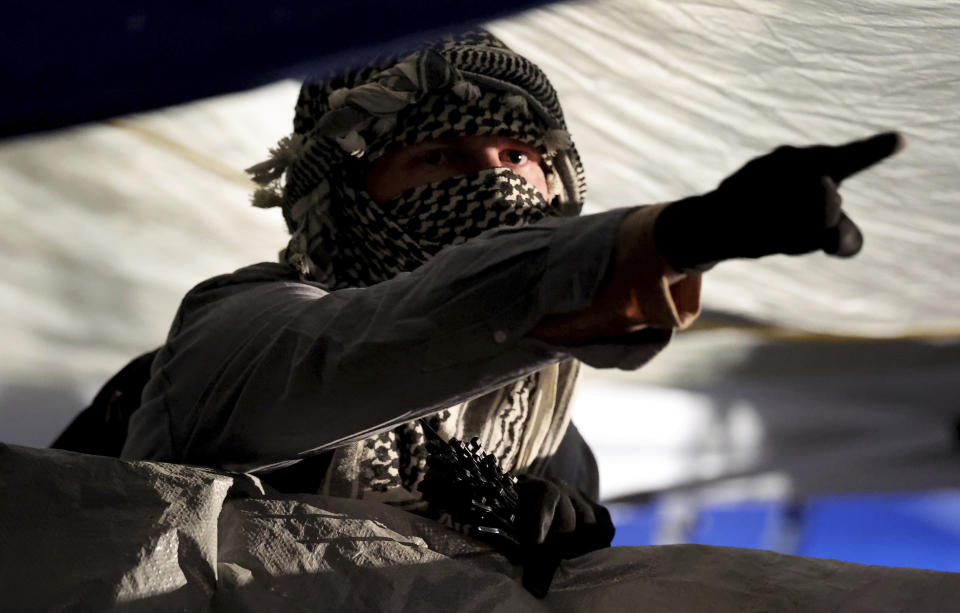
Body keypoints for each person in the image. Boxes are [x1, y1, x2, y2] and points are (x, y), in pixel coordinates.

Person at [117, 29, 901, 583]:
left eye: (520, 156)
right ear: (349, 199)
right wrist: (675, 237)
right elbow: (375, 341)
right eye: (439, 155)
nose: (494, 180)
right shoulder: (235, 329)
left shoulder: (553, 441)